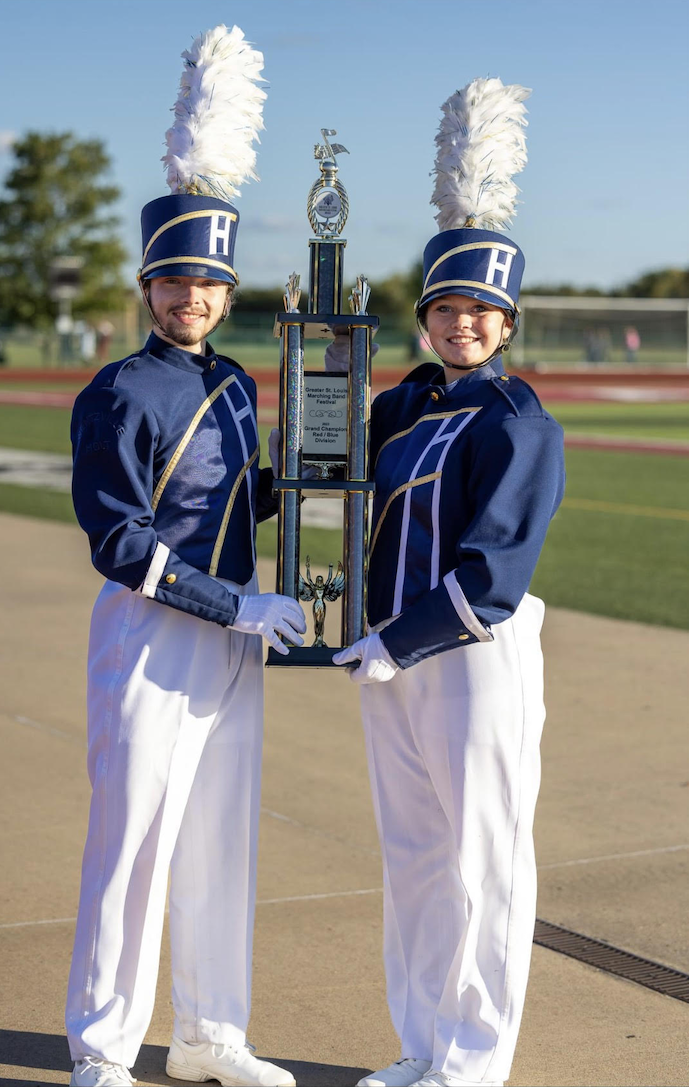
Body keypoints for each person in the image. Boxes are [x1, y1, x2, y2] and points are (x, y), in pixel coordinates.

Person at [65, 25, 303, 1087]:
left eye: (206, 283)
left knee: (219, 842)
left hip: (230, 631)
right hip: (154, 632)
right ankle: (102, 1048)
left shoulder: (239, 379)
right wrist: (232, 602)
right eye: (172, 282)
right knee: (132, 848)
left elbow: (241, 506)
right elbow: (120, 540)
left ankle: (210, 1034)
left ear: (226, 288)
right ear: (146, 283)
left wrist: (306, 473)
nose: (190, 300)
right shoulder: (119, 388)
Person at [331, 78, 566, 1087]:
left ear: (506, 322)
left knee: (484, 866)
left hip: (468, 657)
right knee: (416, 860)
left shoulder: (518, 424)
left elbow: (493, 578)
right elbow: (341, 486)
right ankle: (420, 1042)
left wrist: (393, 640)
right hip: (391, 658)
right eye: (446, 306)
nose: (462, 322)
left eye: (482, 309)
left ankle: (471, 1063)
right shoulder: (399, 410)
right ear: (424, 316)